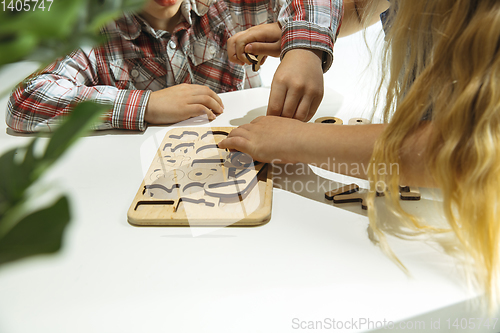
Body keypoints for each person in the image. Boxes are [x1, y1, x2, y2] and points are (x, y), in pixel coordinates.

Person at [219, 0, 500, 312]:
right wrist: (306, 40)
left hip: (467, 252)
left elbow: (460, 150)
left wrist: (296, 138)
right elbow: (363, 6)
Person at [6, 0, 342, 133]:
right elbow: (25, 101)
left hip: (244, 166)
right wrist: (147, 104)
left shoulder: (229, 5)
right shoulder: (94, 30)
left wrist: (303, 45)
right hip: (144, 189)